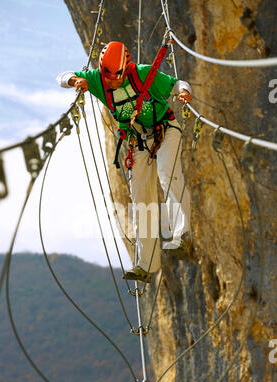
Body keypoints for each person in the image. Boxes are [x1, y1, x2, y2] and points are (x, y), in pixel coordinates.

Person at [57, 41, 192, 283]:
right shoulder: (98, 79)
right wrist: (74, 81)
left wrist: (183, 92)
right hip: (138, 139)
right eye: (107, 76)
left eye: (117, 76)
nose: (112, 81)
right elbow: (62, 76)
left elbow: (177, 83)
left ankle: (181, 236)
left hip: (165, 129)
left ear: (126, 68)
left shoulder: (142, 73)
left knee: (167, 173)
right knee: (141, 198)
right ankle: (145, 265)